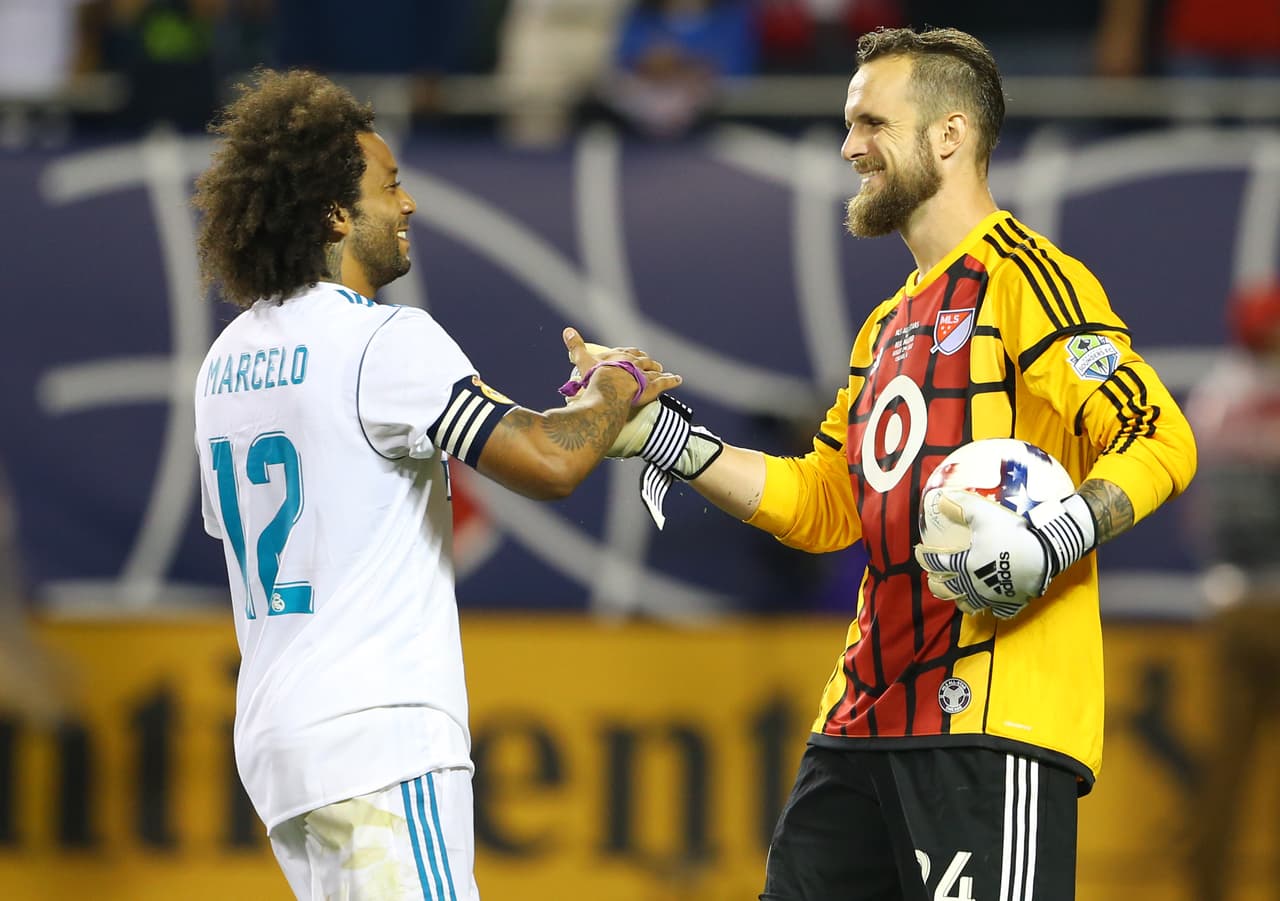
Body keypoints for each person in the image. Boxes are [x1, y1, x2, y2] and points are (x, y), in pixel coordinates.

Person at [599, 25, 1198, 900]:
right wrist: (661, 437)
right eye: (850, 126)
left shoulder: (1026, 278)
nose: (849, 147)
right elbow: (825, 504)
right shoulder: (886, 326)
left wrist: (1057, 533)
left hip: (993, 719)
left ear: (948, 135)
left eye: (871, 123)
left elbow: (1160, 437)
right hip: (862, 716)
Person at [189, 69, 679, 901]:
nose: (408, 204)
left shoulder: (224, 362)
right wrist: (615, 391)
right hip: (377, 734)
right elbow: (547, 461)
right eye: (390, 185)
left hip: (280, 745)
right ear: (335, 214)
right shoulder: (384, 340)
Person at [1181, 281, 1280, 901]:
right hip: (1272, 602)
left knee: (1225, 767)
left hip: (1227, 600)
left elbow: (1202, 514)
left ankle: (1205, 888)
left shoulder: (1212, 397)